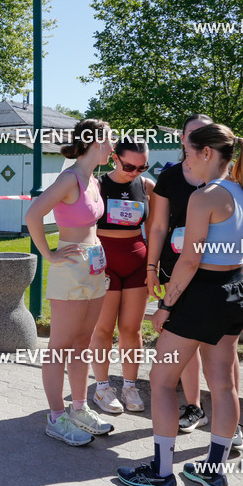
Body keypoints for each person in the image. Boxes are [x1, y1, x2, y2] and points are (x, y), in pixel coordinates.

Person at [118, 124, 243, 486]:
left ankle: (162, 473)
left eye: (188, 153)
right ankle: (214, 471)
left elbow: (190, 260)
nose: (186, 161)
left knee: (162, 381)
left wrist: (166, 305)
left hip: (202, 295)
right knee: (224, 384)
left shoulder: (206, 196)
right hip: (235, 292)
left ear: (207, 154)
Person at [145, 115, 237, 439]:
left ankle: (163, 470)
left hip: (206, 280)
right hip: (198, 278)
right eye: (193, 135)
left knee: (169, 376)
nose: (198, 141)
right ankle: (200, 423)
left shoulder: (223, 185)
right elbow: (157, 227)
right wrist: (151, 268)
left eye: (204, 135)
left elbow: (197, 256)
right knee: (193, 357)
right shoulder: (170, 177)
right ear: (183, 139)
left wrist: (165, 306)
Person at [25, 118, 115, 447]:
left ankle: (79, 408)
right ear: (94, 142)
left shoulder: (94, 180)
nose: (113, 145)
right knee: (60, 346)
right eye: (109, 139)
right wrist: (49, 255)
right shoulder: (70, 178)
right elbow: (33, 214)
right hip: (69, 267)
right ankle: (55, 417)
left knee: (83, 342)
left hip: (93, 266)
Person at [88, 140, 155, 414]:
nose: (135, 172)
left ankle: (129, 385)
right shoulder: (97, 184)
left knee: (131, 329)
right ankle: (102, 388)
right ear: (114, 158)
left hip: (137, 260)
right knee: (103, 329)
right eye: (129, 166)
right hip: (105, 261)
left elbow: (154, 230)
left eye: (142, 167)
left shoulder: (147, 186)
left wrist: (153, 267)